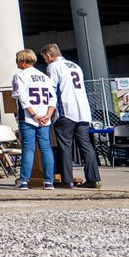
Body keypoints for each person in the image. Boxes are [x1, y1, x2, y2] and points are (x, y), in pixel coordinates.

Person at [42, 43, 101, 189]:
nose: (44, 60)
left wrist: (50, 111)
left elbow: (52, 89)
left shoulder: (53, 67)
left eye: (44, 57)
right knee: (86, 145)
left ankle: (67, 179)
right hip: (83, 111)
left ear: (49, 56)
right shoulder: (75, 66)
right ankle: (93, 178)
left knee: (65, 146)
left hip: (66, 111)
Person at [12, 48, 56, 190]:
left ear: (24, 61)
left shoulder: (20, 76)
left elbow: (22, 99)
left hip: (29, 117)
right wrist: (48, 115)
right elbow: (52, 98)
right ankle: (49, 181)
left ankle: (24, 180)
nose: (16, 63)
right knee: (46, 148)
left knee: (28, 148)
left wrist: (33, 115)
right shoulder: (44, 76)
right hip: (45, 117)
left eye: (18, 60)